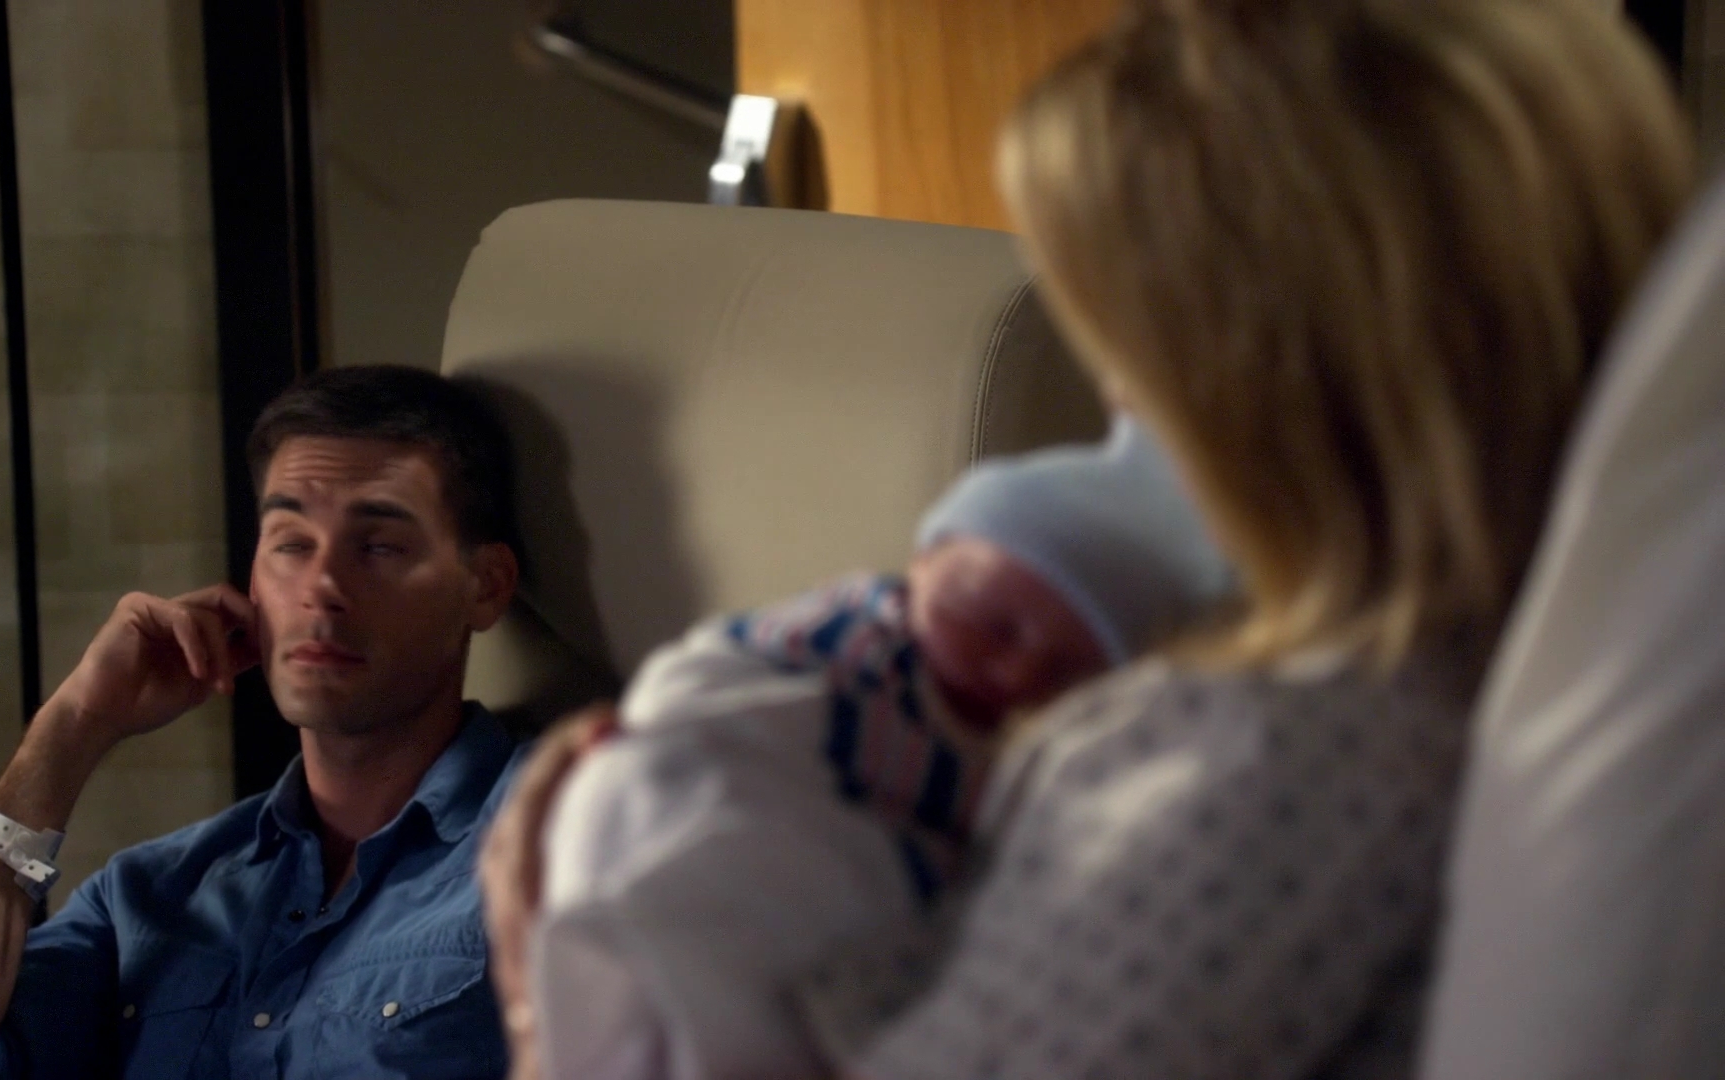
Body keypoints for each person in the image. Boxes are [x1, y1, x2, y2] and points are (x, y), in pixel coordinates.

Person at [477, 0, 1697, 1077]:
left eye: (1130, 348)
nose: (1116, 395)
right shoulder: (1485, 666)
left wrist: (543, 978)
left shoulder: (1264, 761)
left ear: (1266, 381)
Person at [0, 366, 529, 1080]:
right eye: (291, 544)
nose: (322, 587)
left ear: (485, 587)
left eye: (379, 546)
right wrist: (71, 726)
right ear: (254, 584)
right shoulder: (150, 896)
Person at [530, 418, 1232, 1080]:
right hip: (719, 811)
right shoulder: (857, 641)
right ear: (921, 567)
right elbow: (701, 702)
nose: (1017, 671)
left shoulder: (1060, 767)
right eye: (989, 622)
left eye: (1066, 674)